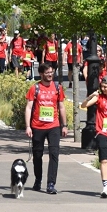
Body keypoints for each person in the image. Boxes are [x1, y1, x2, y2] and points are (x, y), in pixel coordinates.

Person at [25, 64, 69, 194]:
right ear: (41, 73)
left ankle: (51, 183)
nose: (50, 75)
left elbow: (61, 107)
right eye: (48, 72)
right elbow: (28, 108)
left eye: (52, 72)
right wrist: (28, 126)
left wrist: (64, 125)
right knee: (37, 155)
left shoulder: (57, 87)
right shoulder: (35, 88)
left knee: (54, 154)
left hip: (53, 126)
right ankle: (38, 180)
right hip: (37, 126)